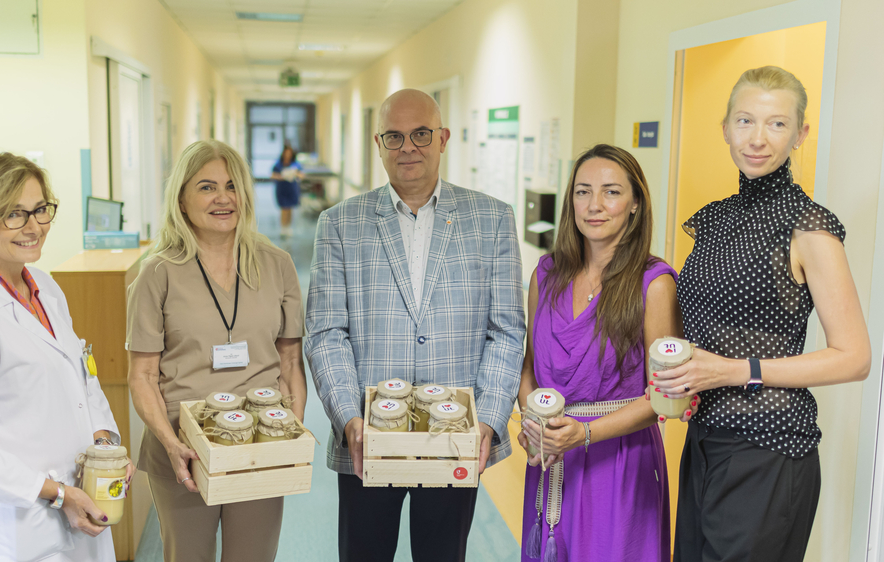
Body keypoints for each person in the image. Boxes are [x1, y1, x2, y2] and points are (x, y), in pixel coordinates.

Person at [653, 66, 871, 561]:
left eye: (776, 124)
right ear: (726, 128)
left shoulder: (809, 229)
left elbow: (855, 357)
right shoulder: (713, 219)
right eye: (746, 121)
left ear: (801, 134)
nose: (757, 138)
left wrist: (736, 370)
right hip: (704, 438)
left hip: (769, 448)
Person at [305, 88, 526, 562]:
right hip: (367, 437)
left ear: (443, 138)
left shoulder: (492, 219)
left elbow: (507, 330)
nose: (408, 147)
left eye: (421, 134)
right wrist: (350, 419)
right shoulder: (340, 224)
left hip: (455, 436)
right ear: (379, 144)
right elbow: (325, 333)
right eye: (395, 136)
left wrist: (487, 418)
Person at [0, 153, 132, 562]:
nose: (35, 226)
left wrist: (106, 446)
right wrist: (57, 495)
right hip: (20, 532)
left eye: (40, 210)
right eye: (14, 215)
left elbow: (82, 380)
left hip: (81, 510)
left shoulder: (45, 286)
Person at [126, 139, 306, 562]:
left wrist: (288, 436)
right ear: (183, 200)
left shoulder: (276, 263)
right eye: (207, 187)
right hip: (183, 450)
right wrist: (172, 444)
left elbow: (290, 361)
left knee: (254, 555)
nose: (223, 198)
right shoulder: (158, 272)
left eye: (232, 186)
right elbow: (143, 376)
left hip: (257, 442)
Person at [517, 144, 686, 562]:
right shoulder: (547, 273)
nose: (594, 205)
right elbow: (529, 365)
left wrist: (586, 433)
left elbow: (665, 396)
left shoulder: (654, 283)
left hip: (619, 463)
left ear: (634, 204)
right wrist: (533, 421)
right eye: (582, 191)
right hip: (553, 456)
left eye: (611, 192)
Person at [271, 144, 304, 239]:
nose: (288, 155)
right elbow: (272, 175)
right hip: (282, 188)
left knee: (289, 208)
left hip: (292, 188)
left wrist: (296, 174)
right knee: (284, 208)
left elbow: (301, 175)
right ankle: (283, 228)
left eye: (289, 153)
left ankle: (288, 227)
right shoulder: (278, 164)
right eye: (286, 153)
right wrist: (281, 177)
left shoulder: (295, 164)